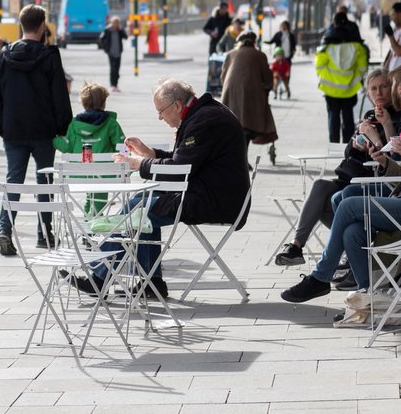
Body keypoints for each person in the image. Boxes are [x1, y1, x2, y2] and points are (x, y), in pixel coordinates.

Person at [282, 67, 401, 302]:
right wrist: (384, 163)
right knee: (352, 231)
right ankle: (370, 297)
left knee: (349, 204)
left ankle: (321, 277)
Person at [67, 79, 250, 299]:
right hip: (209, 192)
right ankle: (149, 283)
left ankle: (103, 277)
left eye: (161, 111)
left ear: (178, 106)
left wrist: (139, 164)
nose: (160, 117)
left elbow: (181, 167)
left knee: (139, 209)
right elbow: (184, 161)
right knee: (141, 202)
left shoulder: (204, 121)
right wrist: (149, 153)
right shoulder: (202, 114)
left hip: (214, 200)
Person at [273, 68, 399, 271]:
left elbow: (390, 156)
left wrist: (376, 136)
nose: (379, 92)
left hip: (367, 184)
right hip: (348, 177)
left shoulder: (397, 117)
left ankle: (350, 251)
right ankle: (296, 247)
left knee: (329, 201)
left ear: (392, 88)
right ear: (367, 93)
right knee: (320, 186)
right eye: (374, 88)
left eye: (384, 86)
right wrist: (355, 144)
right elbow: (348, 152)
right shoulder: (368, 115)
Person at [0, 4, 73, 256]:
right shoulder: (49, 56)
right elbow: (59, 95)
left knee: (13, 179)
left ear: (21, 25)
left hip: (13, 130)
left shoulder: (3, 56)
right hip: (43, 130)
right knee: (44, 180)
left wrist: (2, 123)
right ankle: (44, 234)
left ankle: (5, 230)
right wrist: (63, 127)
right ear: (42, 26)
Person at [53, 82, 126, 213]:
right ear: (103, 102)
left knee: (91, 193)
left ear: (83, 103)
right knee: (98, 192)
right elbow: (121, 147)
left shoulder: (75, 124)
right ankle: (94, 222)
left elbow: (67, 146)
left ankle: (90, 221)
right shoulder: (111, 123)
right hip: (105, 173)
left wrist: (53, 139)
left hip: (79, 173)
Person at [316, 12, 368, 143]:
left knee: (333, 117)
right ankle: (347, 144)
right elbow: (362, 68)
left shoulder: (327, 45)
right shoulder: (357, 46)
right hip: (350, 88)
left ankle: (333, 143)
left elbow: (319, 65)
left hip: (330, 89)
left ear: (334, 23)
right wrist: (356, 79)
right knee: (348, 116)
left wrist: (326, 77)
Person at [221, 30, 277, 150]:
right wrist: (268, 88)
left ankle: (239, 156)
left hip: (230, 93)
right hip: (252, 94)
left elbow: (223, 77)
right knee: (248, 125)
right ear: (254, 42)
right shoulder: (260, 55)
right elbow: (267, 78)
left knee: (236, 124)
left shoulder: (230, 54)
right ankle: (243, 157)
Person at [98, 16, 128, 92]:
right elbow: (101, 39)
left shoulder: (119, 30)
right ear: (111, 23)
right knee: (113, 69)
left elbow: (126, 37)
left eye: (117, 23)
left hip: (118, 52)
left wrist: (121, 30)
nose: (116, 24)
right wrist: (105, 48)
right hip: (111, 52)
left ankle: (116, 85)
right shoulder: (107, 30)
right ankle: (112, 85)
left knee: (117, 69)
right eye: (115, 22)